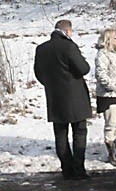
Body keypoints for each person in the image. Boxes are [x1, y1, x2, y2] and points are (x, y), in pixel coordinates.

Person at [34, 19, 92, 180]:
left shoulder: (41, 49)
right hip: (75, 98)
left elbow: (38, 74)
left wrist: (51, 85)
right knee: (79, 132)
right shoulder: (69, 46)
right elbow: (83, 68)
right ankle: (79, 169)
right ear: (67, 31)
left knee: (60, 134)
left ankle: (67, 169)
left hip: (54, 98)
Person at [94, 28, 116, 167]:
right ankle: (111, 153)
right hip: (108, 95)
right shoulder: (103, 54)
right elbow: (101, 74)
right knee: (111, 124)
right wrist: (112, 86)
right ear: (109, 40)